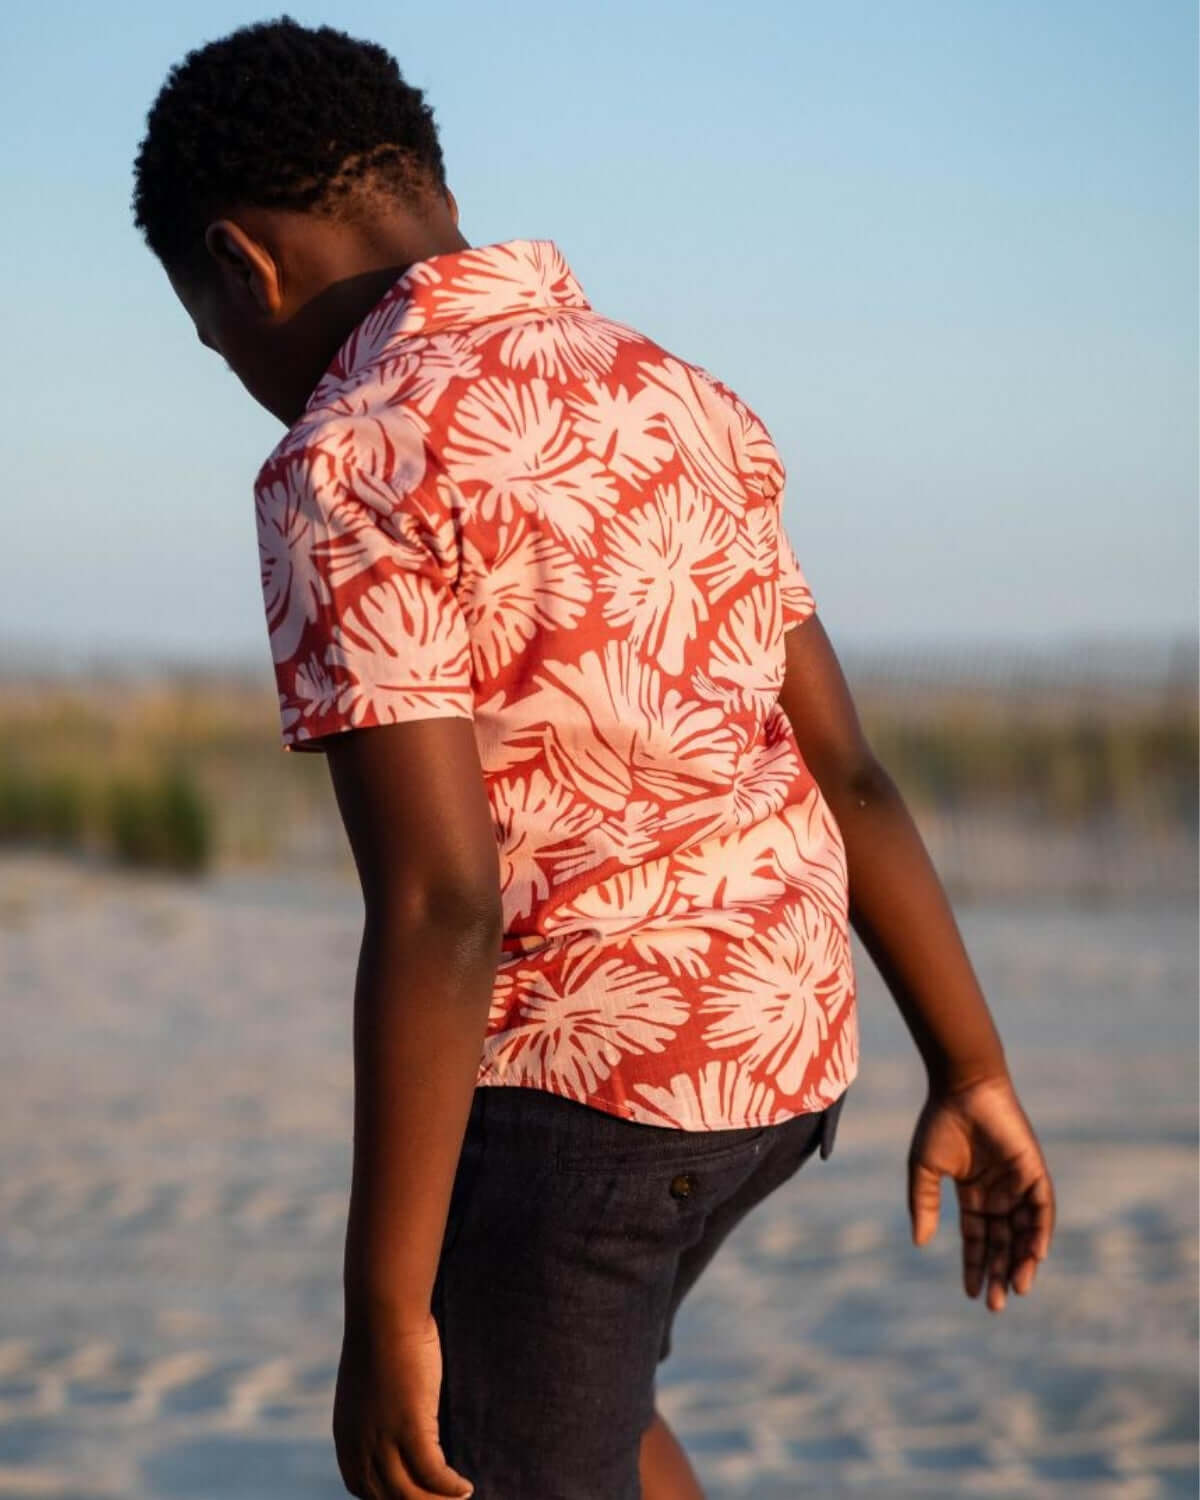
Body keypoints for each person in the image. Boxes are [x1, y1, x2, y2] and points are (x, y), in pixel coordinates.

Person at [131, 17, 1057, 1500]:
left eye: (214, 336)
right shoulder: (684, 398)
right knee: (571, 1404)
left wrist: (381, 1315)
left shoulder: (348, 457)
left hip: (585, 1107)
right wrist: (974, 1066)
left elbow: (441, 903)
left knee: (467, 1447)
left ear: (246, 268)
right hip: (782, 1062)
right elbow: (850, 769)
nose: (239, 370)